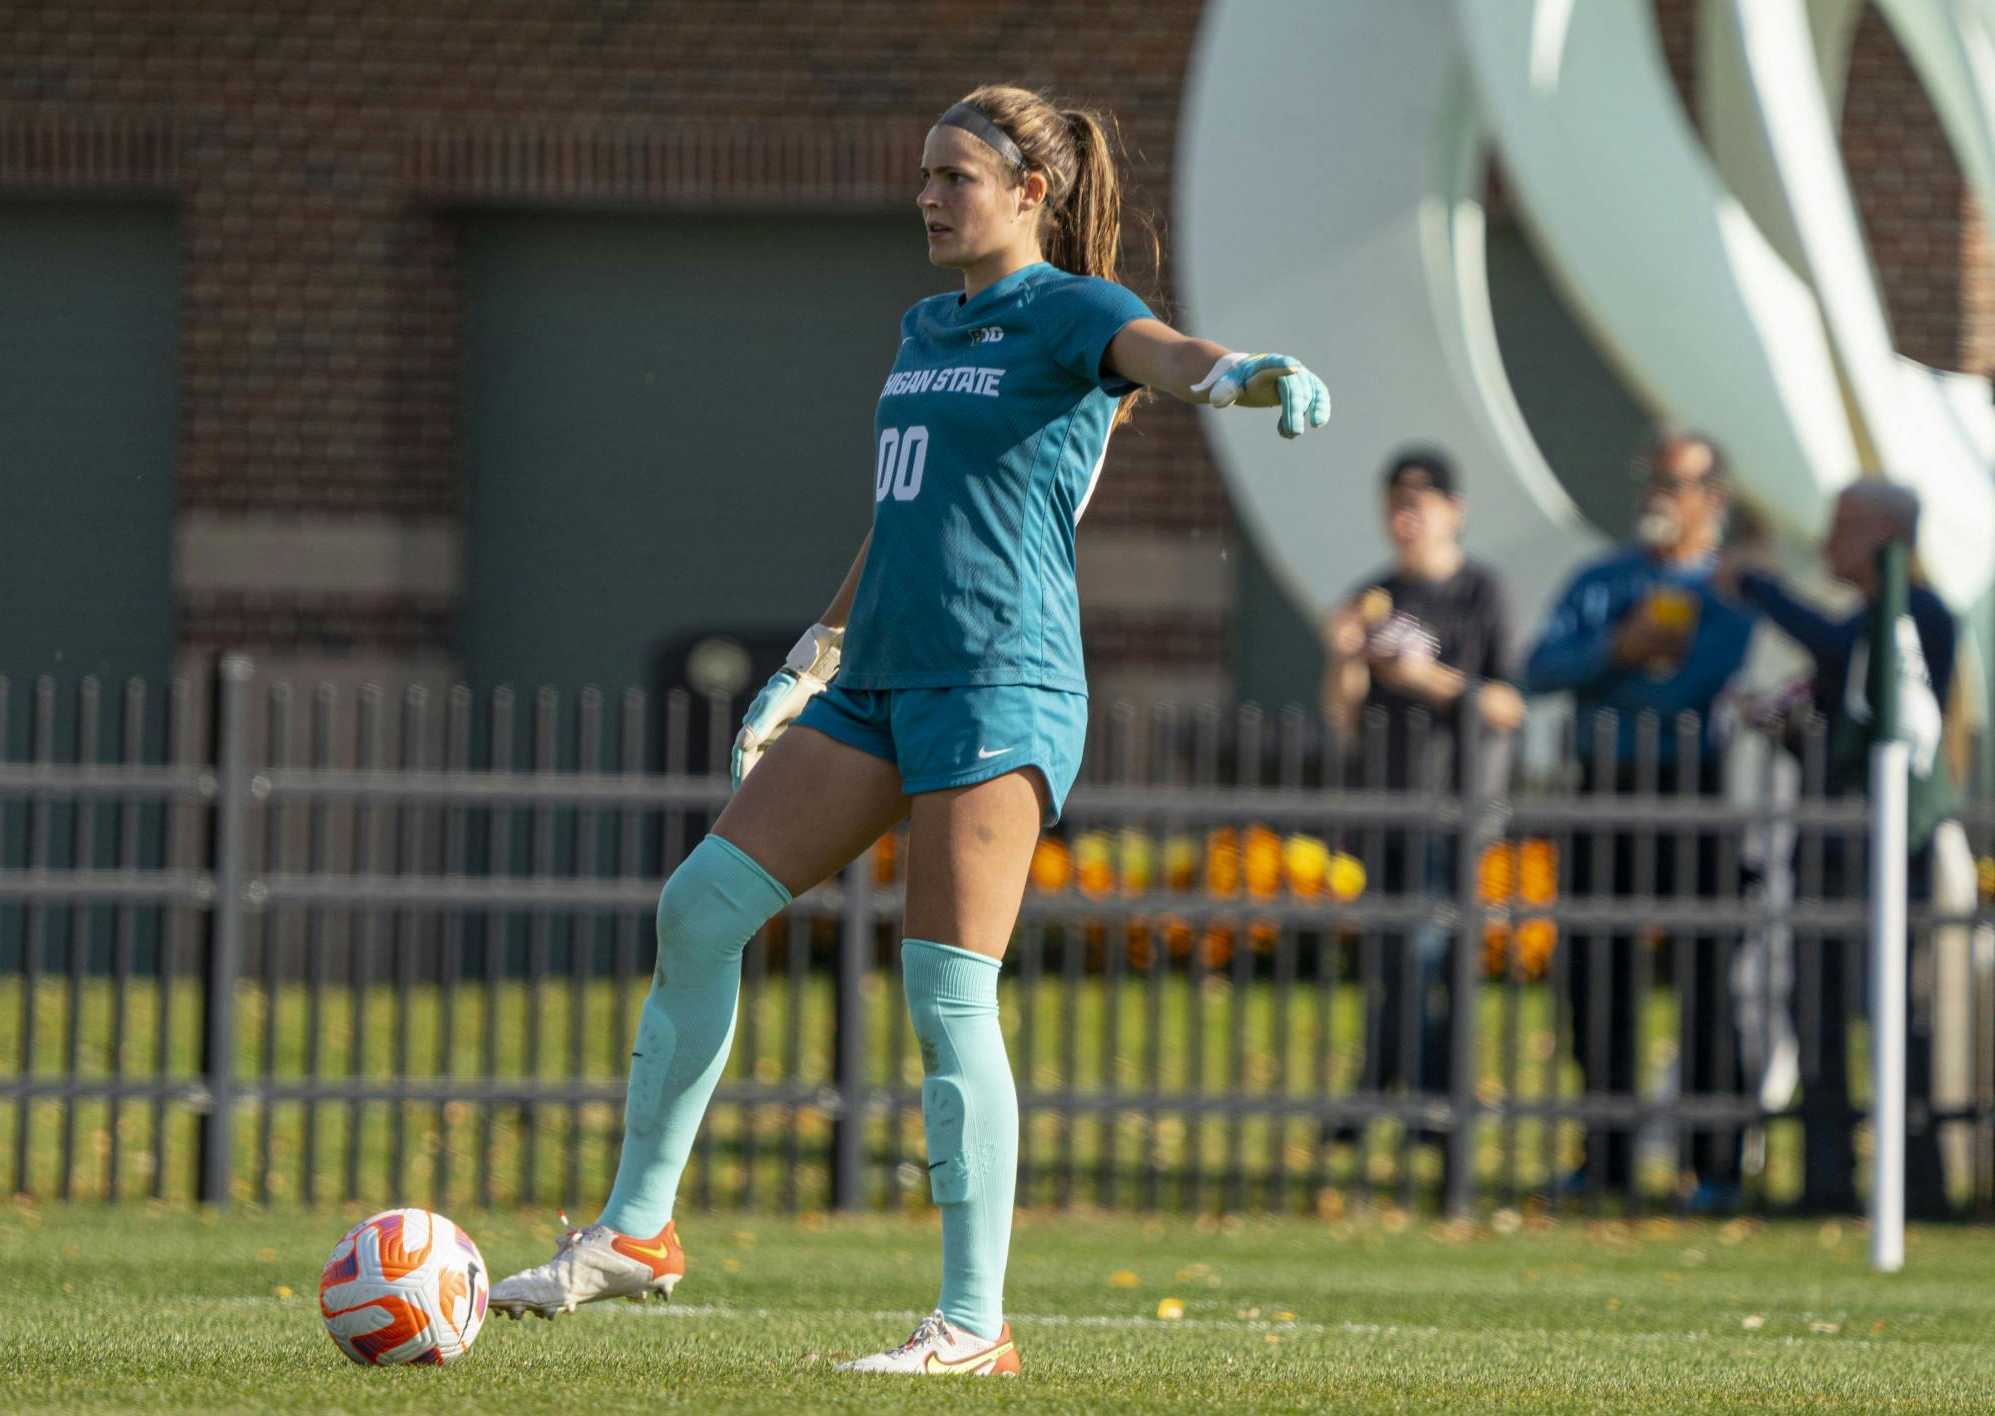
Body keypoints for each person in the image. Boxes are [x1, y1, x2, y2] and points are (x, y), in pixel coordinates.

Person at [485, 84, 1331, 1375]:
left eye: (956, 176)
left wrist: (1241, 376)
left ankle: (974, 1326)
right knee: (701, 908)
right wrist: (813, 655)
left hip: (1003, 686)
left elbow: (1165, 352)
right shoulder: (925, 324)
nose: (928, 197)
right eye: (926, 175)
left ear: (1030, 194)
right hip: (879, 683)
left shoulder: (1073, 312)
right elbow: (903, 514)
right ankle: (638, 1233)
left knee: (946, 993)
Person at [1524, 430, 1756, 1208]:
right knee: (1596, 976)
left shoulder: (1727, 588)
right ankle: (1606, 1156)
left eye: (1677, 482)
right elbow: (1539, 667)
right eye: (1652, 478)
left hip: (1692, 791)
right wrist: (1621, 647)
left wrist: (1618, 673)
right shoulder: (1603, 578)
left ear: (1712, 499)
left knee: (1704, 981)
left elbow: (1689, 688)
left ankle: (1715, 1167)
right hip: (1604, 790)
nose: (1659, 494)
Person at [1717, 480, 1956, 1216]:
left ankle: (1917, 1186)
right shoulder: (1868, 615)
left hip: (1885, 853)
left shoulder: (1918, 611)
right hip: (1830, 848)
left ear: (1886, 535)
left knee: (1891, 1019)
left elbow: (1848, 653)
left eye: (1843, 527)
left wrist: (1758, 582)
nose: (1828, 542)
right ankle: (1826, 1180)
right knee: (1816, 1011)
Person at [1321, 450, 1522, 1159]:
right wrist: (1345, 657)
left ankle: (1408, 1095)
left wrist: (1423, 678)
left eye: (1421, 501)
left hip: (1455, 806)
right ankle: (1413, 1100)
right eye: (1395, 501)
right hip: (1386, 806)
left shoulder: (1481, 594)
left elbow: (1506, 704)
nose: (1405, 516)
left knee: (1427, 951)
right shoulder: (1374, 595)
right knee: (1391, 954)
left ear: (1453, 511)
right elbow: (1343, 718)